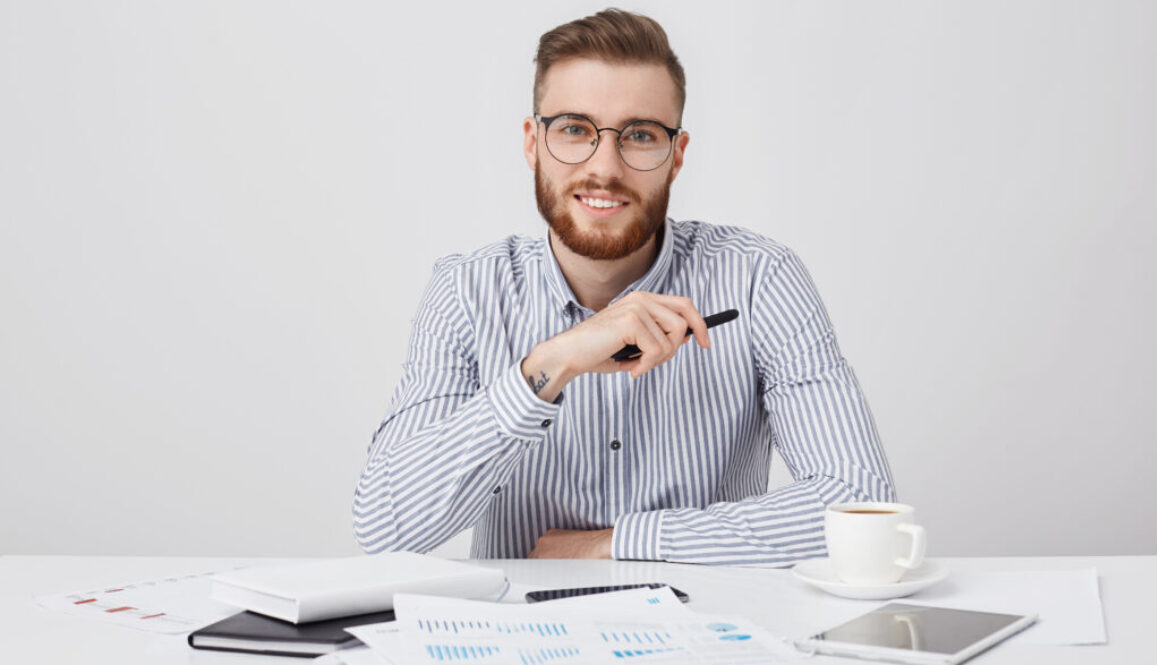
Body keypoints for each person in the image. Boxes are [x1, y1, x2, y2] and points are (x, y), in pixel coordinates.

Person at [353, 9, 895, 565]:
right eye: (574, 130)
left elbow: (860, 504)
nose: (604, 167)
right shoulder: (467, 292)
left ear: (677, 156)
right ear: (532, 143)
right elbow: (384, 529)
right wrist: (551, 364)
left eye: (640, 135)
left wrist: (619, 544)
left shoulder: (759, 279)